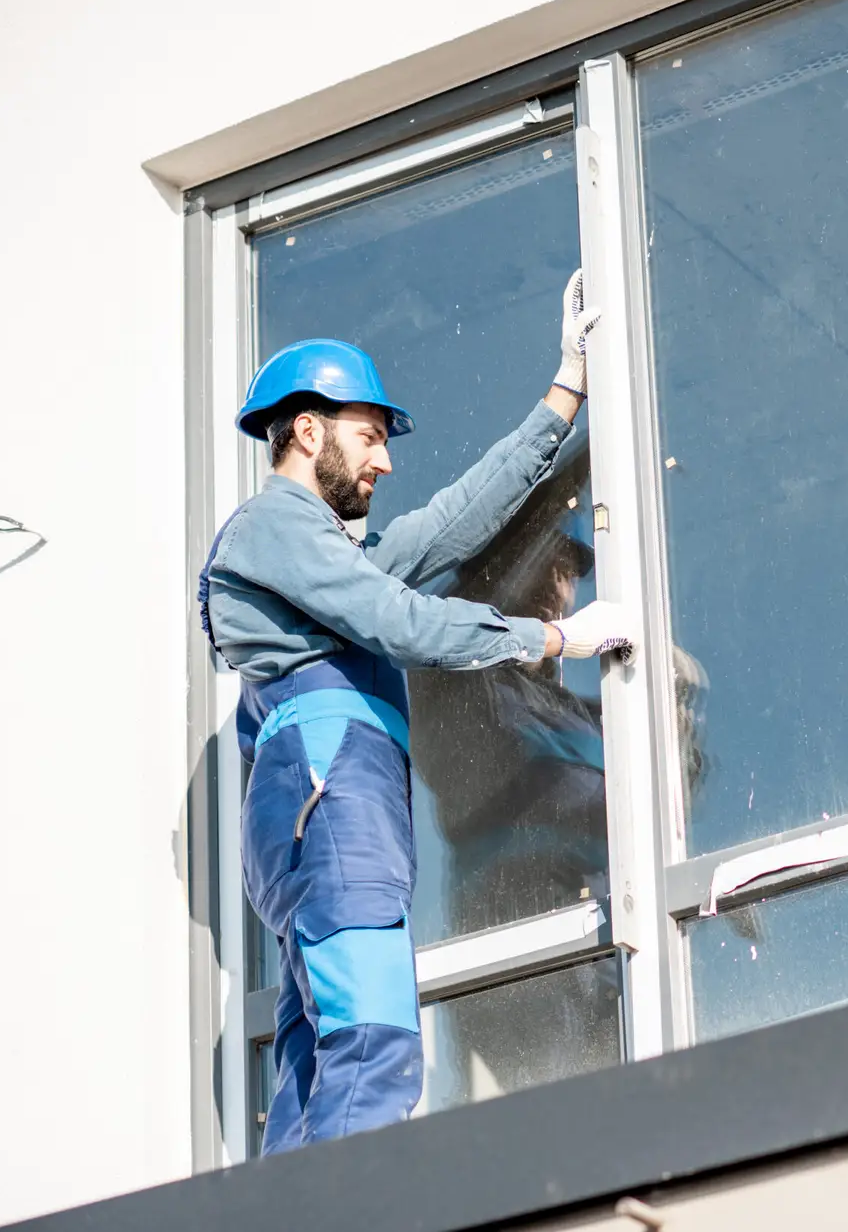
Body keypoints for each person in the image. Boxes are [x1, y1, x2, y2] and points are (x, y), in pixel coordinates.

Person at [198, 271, 634, 1153]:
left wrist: (564, 395)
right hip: (331, 795)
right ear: (307, 429)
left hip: (333, 801)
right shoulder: (271, 529)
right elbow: (400, 622)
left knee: (316, 1062)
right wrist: (554, 642)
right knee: (375, 1042)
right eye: (368, 437)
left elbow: (449, 526)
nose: (384, 460)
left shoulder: (325, 557)